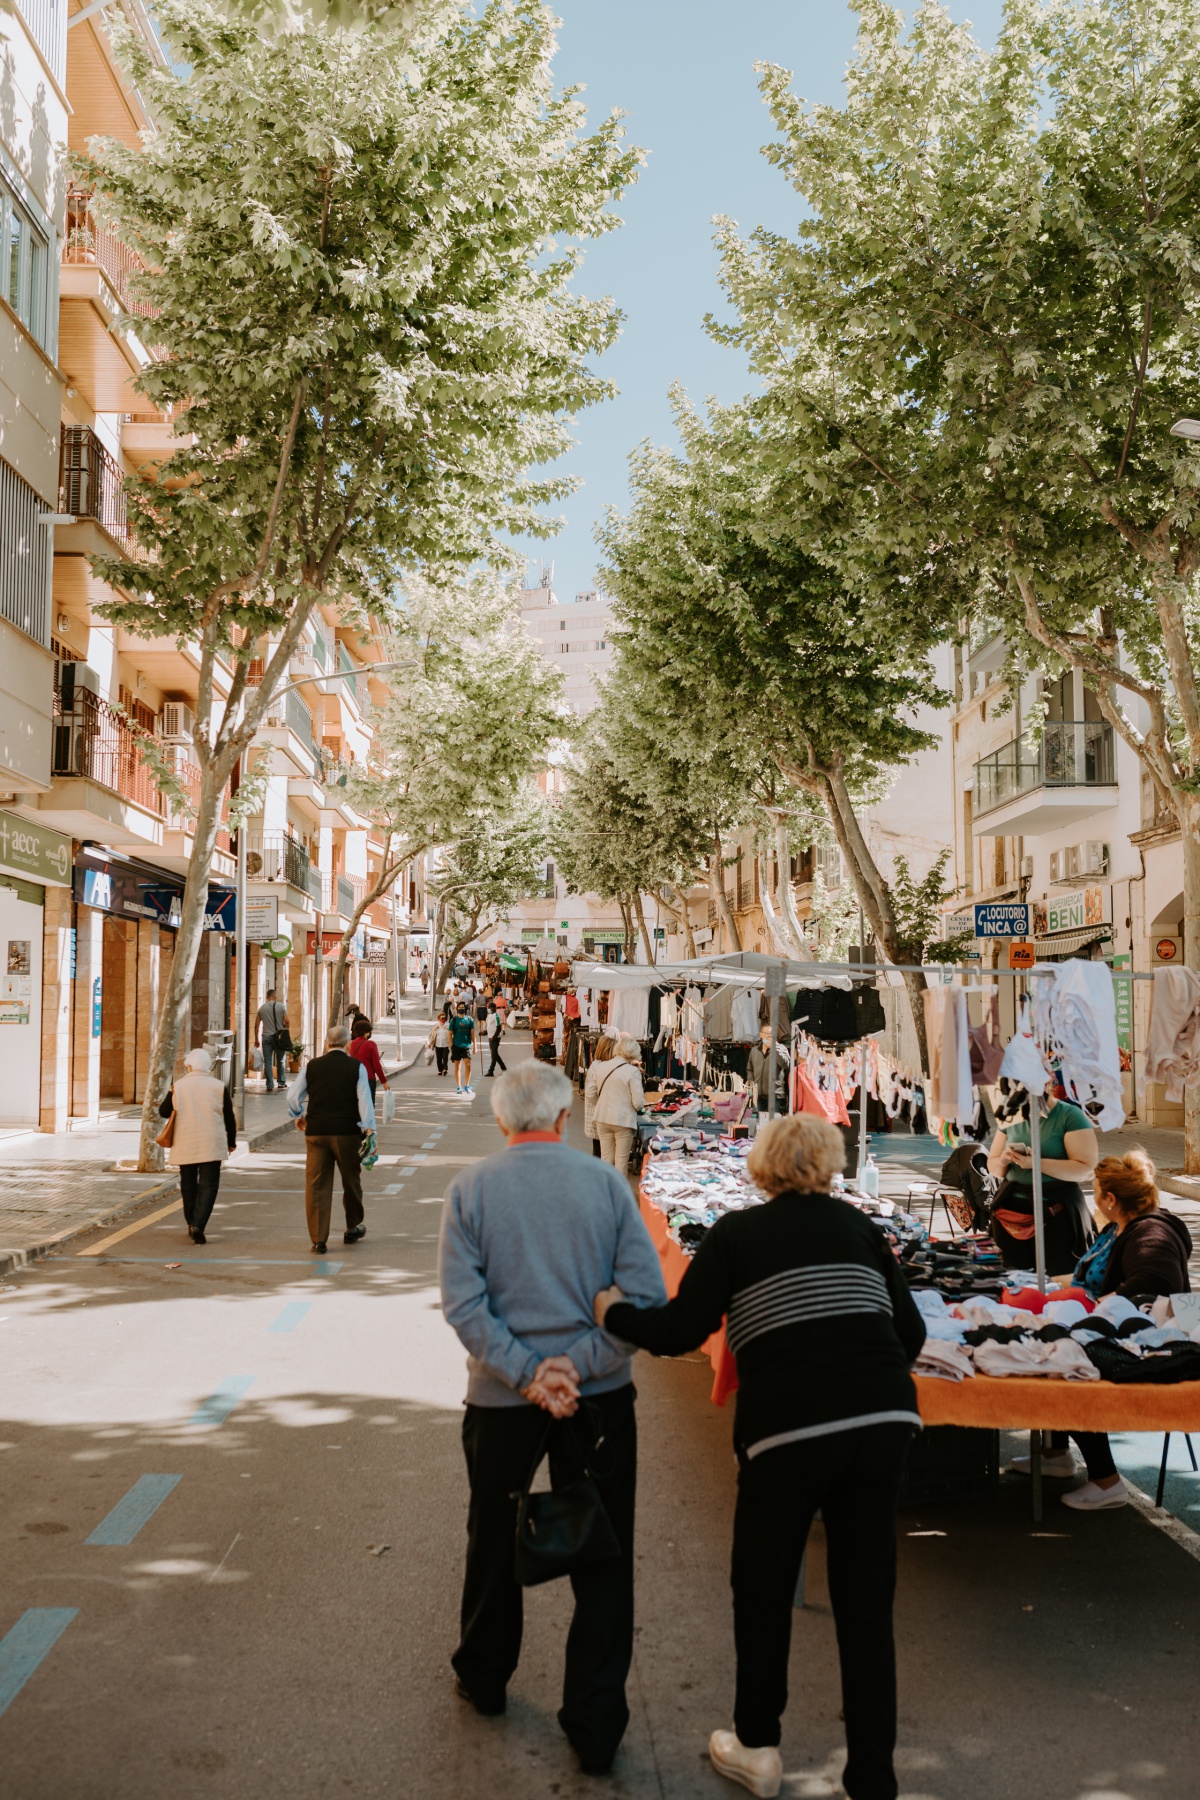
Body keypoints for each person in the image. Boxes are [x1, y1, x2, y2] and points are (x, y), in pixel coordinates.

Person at [595, 1113, 924, 1800]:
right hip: (882, 1418)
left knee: (764, 1586)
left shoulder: (736, 1234)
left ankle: (758, 1744)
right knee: (867, 1602)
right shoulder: (862, 1230)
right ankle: (872, 1772)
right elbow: (912, 1331)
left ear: (763, 1167)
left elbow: (681, 1328)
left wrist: (611, 1313)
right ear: (830, 1165)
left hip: (787, 1432)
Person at [438, 1062, 667, 1775]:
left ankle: (485, 1675)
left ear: (503, 1122)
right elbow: (646, 1298)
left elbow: (463, 1306)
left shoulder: (471, 1189)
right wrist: (578, 1364)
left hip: (503, 1399)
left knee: (493, 1538)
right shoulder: (604, 1185)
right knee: (604, 1552)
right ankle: (596, 1720)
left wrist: (530, 1373)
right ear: (565, 1118)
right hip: (598, 1399)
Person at [1014, 1150, 1193, 1512]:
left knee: (1071, 1365)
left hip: (1143, 1343)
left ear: (1110, 1199)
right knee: (1052, 1347)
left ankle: (1106, 1480)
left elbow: (1156, 1280)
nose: (1092, 1196)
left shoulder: (1151, 1231)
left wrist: (1102, 1304)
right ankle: (1056, 1452)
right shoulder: (1119, 1225)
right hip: (1107, 1324)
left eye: (1095, 1190)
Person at [985, 1083, 1099, 1274]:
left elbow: (1086, 1169)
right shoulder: (1010, 1114)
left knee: (1058, 1281)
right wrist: (1004, 1160)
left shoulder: (1069, 1115)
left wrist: (1036, 1163)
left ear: (1047, 1083)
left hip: (1057, 1215)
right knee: (1013, 1282)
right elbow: (993, 1165)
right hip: (1011, 1216)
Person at [287, 1024, 375, 1253]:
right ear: (348, 1045)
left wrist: (299, 1116)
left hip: (316, 1133)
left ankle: (318, 1240)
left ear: (326, 1044)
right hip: (347, 1134)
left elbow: (293, 1096)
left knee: (316, 1185)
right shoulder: (356, 1067)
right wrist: (369, 1130)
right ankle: (352, 1227)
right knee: (351, 1181)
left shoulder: (312, 1066)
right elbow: (364, 1101)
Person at [159, 1047, 238, 1244]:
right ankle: (200, 1225)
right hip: (211, 1142)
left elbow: (164, 1112)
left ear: (189, 1066)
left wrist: (172, 1094)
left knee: (188, 1184)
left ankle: (191, 1222)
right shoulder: (218, 1086)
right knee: (209, 1185)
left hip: (185, 1142)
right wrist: (231, 1142)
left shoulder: (178, 1086)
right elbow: (229, 1118)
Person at [592, 1035, 644, 1175]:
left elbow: (593, 1093)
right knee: (621, 1161)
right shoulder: (632, 1071)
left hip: (602, 1117)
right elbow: (638, 1103)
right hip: (623, 1120)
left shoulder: (601, 1066)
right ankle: (619, 1194)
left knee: (606, 1159)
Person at [582, 1034, 618, 1159]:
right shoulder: (599, 1067)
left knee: (600, 1150)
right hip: (599, 1115)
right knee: (601, 1152)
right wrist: (603, 1106)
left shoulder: (597, 1065)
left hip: (597, 1115)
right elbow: (591, 1093)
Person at [746, 1023, 791, 1115]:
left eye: (772, 1033)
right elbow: (749, 1068)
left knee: (773, 1121)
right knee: (757, 1119)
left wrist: (775, 1048)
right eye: (767, 1033)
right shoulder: (755, 1050)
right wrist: (751, 1082)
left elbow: (786, 1065)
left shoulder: (781, 1048)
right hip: (758, 1093)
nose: (770, 1036)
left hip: (774, 1092)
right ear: (761, 1035)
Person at [255, 988, 290, 1093]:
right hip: (278, 1037)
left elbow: (256, 1026)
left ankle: (269, 1085)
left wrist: (256, 1039)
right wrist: (286, 1031)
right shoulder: (281, 1006)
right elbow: (287, 1021)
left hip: (266, 1037)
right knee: (280, 1060)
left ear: (267, 997)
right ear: (275, 997)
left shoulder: (261, 1008)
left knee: (268, 1061)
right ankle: (281, 1082)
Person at [348, 1015, 388, 1103]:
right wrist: (384, 1082)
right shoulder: (371, 1044)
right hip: (368, 1079)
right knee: (368, 1106)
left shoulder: (350, 1045)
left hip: (353, 1080)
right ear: (366, 1032)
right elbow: (377, 1065)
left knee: (355, 1106)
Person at [450, 1001, 478, 1096]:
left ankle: (467, 1085)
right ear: (457, 1009)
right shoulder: (453, 1020)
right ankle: (459, 1086)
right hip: (456, 1045)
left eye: (463, 1007)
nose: (461, 1008)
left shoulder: (470, 1020)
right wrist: (451, 1046)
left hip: (467, 1045)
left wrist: (475, 1046)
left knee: (468, 1065)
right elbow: (450, 1034)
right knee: (457, 1066)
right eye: (459, 1007)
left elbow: (473, 1034)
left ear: (465, 1009)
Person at [483, 1000, 507, 1077]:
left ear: (493, 1008)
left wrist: (494, 1037)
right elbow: (489, 1027)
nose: (488, 1009)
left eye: (489, 1007)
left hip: (495, 1038)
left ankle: (491, 1071)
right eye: (487, 1007)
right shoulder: (489, 1016)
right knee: (495, 1054)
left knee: (494, 1055)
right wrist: (484, 1032)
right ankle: (504, 1069)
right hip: (490, 1037)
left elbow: (498, 1028)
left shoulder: (496, 1016)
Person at [428, 1010, 451, 1077]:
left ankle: (445, 1069)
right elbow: (433, 1035)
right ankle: (440, 1070)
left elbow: (451, 1035)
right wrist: (430, 1043)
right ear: (439, 1019)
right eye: (442, 1018)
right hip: (438, 1044)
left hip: (446, 1045)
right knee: (439, 1058)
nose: (443, 1020)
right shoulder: (436, 1026)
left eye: (444, 1018)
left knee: (445, 1057)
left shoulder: (448, 1025)